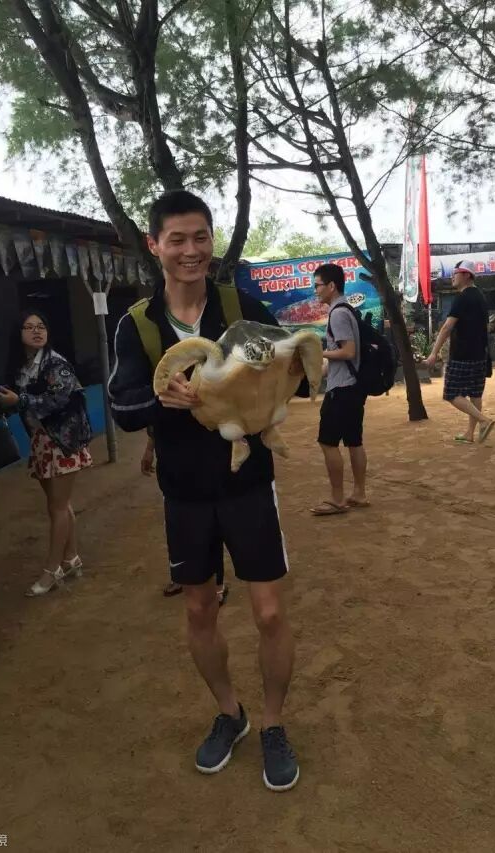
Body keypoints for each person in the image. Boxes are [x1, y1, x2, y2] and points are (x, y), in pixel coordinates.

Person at [109, 189, 304, 791]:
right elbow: (122, 407)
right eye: (177, 240)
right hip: (186, 493)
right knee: (199, 608)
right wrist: (162, 398)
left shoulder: (239, 306)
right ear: (155, 245)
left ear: (211, 240)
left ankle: (273, 723)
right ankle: (229, 713)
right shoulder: (139, 325)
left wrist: (279, 376)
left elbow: (288, 375)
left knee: (269, 611)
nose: (190, 250)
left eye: (200, 237)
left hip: (248, 484)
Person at [0, 311, 92, 596]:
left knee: (57, 507)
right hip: (43, 440)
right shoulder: (24, 367)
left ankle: (52, 570)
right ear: (18, 333)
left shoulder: (55, 363)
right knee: (58, 504)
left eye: (41, 326)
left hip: (62, 441)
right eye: (29, 327)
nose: (37, 331)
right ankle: (71, 558)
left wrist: (20, 400)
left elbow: (58, 399)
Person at [141, 431, 229, 605]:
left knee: (212, 525)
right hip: (175, 473)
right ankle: (181, 575)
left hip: (211, 463)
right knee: (178, 529)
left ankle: (218, 583)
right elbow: (156, 419)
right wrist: (150, 448)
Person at [310, 263, 369, 516]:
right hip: (352, 387)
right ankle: (359, 493)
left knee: (328, 442)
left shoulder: (338, 314)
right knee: (354, 441)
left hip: (342, 390)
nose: (315, 290)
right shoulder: (346, 310)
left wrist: (317, 353)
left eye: (318, 285)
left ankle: (337, 499)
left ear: (331, 286)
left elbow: (348, 352)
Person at [425, 259, 495, 444]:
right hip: (480, 354)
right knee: (475, 394)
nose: (452, 277)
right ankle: (470, 433)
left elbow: (447, 327)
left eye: (455, 273)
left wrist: (433, 353)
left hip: (462, 355)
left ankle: (484, 420)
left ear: (466, 275)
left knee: (451, 394)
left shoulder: (462, 298)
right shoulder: (480, 296)